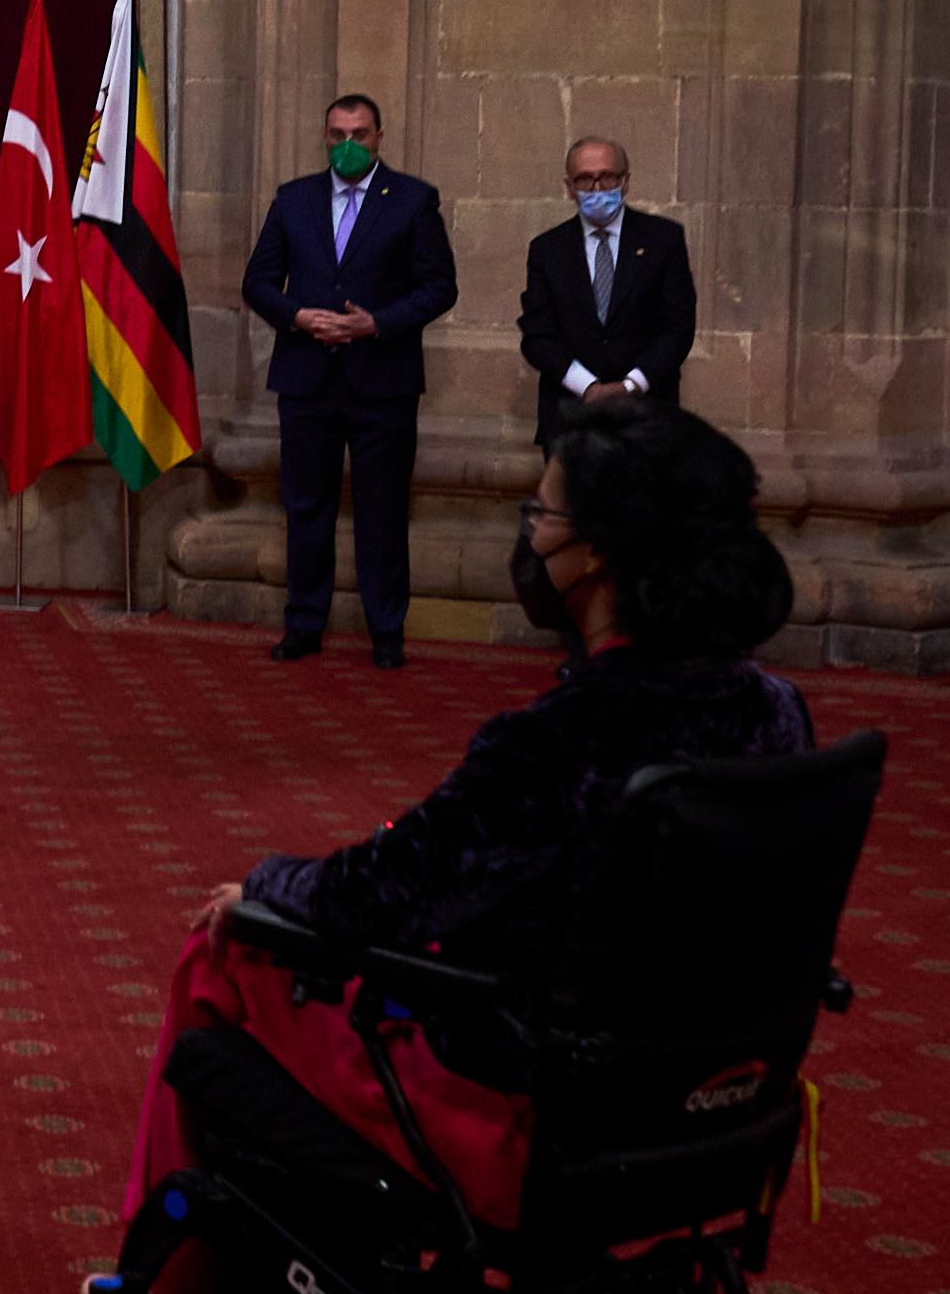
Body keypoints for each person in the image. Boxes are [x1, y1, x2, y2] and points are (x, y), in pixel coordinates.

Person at [123, 398, 811, 1235]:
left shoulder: (561, 740)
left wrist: (264, 886)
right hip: (719, 1112)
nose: (529, 534)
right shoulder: (776, 712)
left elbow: (374, 897)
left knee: (225, 948)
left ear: (596, 551)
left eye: (541, 513)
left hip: (529, 1122)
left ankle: (167, 1291)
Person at [240, 92, 459, 668]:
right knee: (306, 506)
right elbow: (258, 281)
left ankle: (386, 629)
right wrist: (295, 315)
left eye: (359, 134)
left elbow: (439, 287)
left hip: (381, 381)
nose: (348, 145)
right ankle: (304, 623)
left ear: (379, 137)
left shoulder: (412, 200)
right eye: (337, 134)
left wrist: (376, 323)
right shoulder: (294, 200)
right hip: (307, 379)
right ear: (325, 137)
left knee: (382, 511)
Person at [519, 135, 695, 449]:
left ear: (625, 181)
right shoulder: (548, 249)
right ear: (570, 188)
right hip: (570, 420)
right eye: (585, 179)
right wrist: (589, 389)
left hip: (647, 417)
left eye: (608, 177)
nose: (597, 188)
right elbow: (537, 336)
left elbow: (677, 328)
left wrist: (630, 385)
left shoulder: (663, 240)